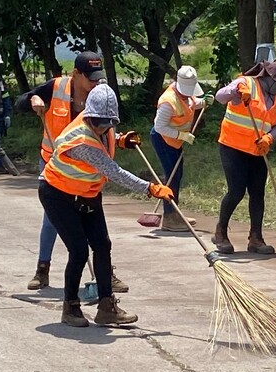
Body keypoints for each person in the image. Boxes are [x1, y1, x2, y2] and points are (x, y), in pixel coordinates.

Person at [38, 83, 174, 327]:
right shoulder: (81, 141)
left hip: (87, 193)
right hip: (58, 195)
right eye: (99, 123)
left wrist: (120, 140)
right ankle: (70, 308)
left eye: (109, 124)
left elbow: (105, 141)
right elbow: (115, 172)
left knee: (102, 244)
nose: (104, 127)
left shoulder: (104, 124)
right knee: (78, 250)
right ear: (89, 115)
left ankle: (106, 307)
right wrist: (150, 188)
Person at [15, 51, 129, 294]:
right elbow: (20, 101)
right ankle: (42, 269)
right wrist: (32, 100)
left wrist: (118, 140)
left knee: (94, 225)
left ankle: (106, 274)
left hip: (87, 171)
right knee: (53, 220)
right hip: (53, 165)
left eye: (98, 77)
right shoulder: (56, 87)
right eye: (90, 78)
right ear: (75, 74)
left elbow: (101, 133)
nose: (95, 83)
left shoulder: (98, 97)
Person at [212, 59, 276, 255]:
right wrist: (236, 92)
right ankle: (221, 233)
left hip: (258, 151)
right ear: (270, 78)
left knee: (258, 193)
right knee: (236, 191)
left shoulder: (275, 100)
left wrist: (269, 138)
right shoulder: (246, 83)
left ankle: (256, 238)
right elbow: (219, 97)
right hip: (233, 147)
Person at [150, 65, 213, 231]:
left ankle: (175, 213)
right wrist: (182, 135)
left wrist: (204, 102)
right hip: (163, 140)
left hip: (175, 140)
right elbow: (159, 127)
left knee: (177, 176)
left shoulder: (186, 95)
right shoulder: (168, 101)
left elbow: (192, 103)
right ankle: (169, 217)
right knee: (172, 177)